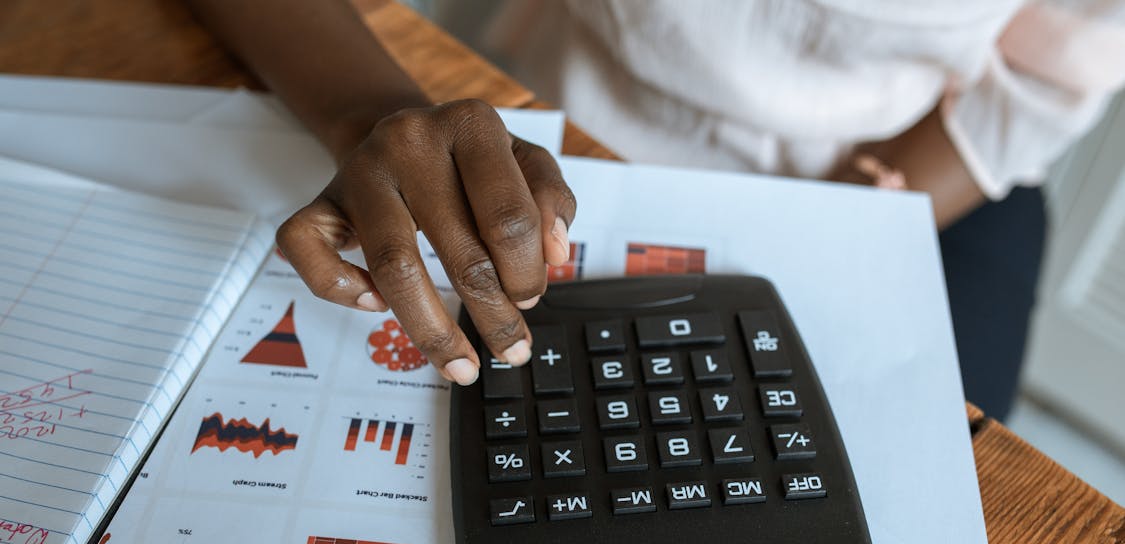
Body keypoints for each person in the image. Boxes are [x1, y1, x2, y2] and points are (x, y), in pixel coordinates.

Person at [187, 0, 1125, 419]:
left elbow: (1048, 67)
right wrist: (367, 112)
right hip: (565, 116)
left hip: (911, 164)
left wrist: (846, 213)